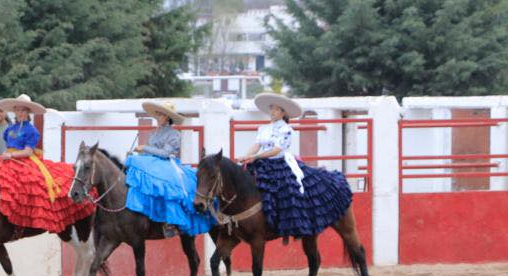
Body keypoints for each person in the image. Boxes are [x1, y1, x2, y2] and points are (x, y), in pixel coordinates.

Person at [237, 93, 352, 237]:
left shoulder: (286, 130)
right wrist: (246, 155)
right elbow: (256, 145)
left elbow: (277, 150)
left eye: (276, 109)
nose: (272, 112)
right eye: (271, 109)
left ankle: (283, 222)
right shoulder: (263, 129)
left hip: (280, 163)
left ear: (283, 112)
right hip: (261, 162)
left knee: (289, 190)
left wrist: (255, 156)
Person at [0, 94, 94, 233]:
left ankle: (25, 221)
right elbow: (9, 145)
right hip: (8, 160)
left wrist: (11, 154)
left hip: (24, 160)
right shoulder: (9, 129)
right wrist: (8, 154)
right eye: (17, 110)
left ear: (28, 112)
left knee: (31, 183)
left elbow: (28, 152)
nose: (19, 113)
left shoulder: (31, 130)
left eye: (22, 110)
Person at [123, 100, 213, 237]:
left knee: (168, 187)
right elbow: (148, 152)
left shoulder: (174, 134)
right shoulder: (154, 133)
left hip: (167, 163)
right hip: (152, 163)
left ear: (167, 117)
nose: (157, 117)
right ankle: (140, 213)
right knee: (132, 162)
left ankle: (171, 223)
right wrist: (138, 152)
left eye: (160, 114)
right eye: (157, 114)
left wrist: (144, 148)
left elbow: (165, 154)